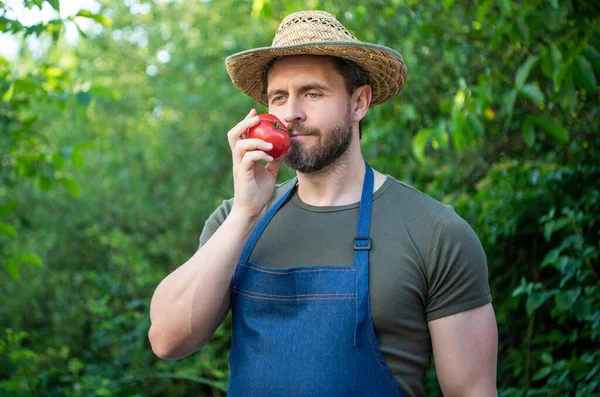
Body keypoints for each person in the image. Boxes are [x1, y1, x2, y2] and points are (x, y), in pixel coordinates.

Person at [149, 10, 498, 397]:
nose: (290, 113)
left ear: (359, 102)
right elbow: (168, 340)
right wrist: (246, 213)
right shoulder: (234, 220)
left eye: (312, 93)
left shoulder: (434, 232)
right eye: (278, 97)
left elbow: (472, 391)